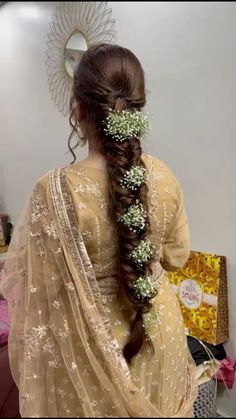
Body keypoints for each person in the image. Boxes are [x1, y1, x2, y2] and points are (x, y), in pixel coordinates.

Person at [0, 44, 197, 417]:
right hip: (162, 336)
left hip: (94, 353)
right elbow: (175, 258)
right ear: (137, 109)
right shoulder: (165, 176)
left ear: (78, 109)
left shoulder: (54, 190)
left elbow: (36, 288)